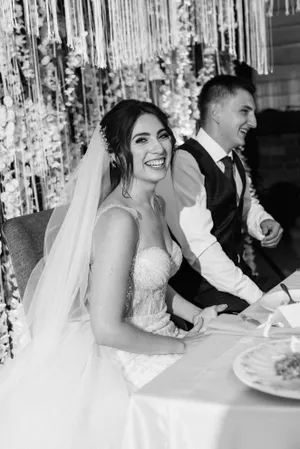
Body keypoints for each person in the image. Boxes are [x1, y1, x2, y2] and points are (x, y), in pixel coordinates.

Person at [0, 100, 226, 449]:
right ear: (118, 154)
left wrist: (195, 314)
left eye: (162, 135)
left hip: (161, 335)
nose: (158, 147)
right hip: (126, 355)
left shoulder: (155, 203)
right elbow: (106, 329)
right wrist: (181, 346)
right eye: (141, 140)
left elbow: (149, 277)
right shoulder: (120, 219)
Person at [157, 75, 283, 313]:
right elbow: (199, 248)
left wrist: (261, 221)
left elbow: (243, 203)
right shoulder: (184, 163)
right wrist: (255, 295)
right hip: (201, 291)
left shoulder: (231, 158)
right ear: (215, 112)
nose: (253, 122)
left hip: (234, 279)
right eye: (245, 111)